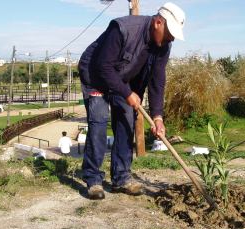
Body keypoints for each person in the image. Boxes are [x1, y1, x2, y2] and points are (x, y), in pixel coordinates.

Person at [78, 2, 185, 200]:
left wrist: (158, 117)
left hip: (123, 80)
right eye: (170, 32)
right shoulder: (122, 28)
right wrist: (127, 93)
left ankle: (121, 178)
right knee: (99, 123)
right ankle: (93, 179)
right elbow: (103, 66)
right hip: (95, 75)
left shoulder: (163, 45)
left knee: (126, 121)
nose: (171, 38)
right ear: (158, 23)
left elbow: (157, 81)